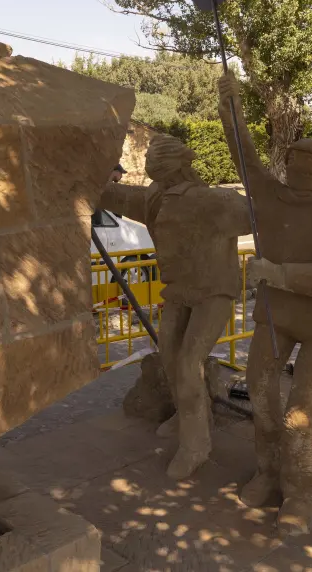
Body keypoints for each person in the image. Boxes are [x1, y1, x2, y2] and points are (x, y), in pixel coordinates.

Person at [217, 74, 312, 537]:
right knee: (260, 394)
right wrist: (231, 107)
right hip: (277, 315)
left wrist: (279, 274)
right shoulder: (269, 197)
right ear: (285, 165)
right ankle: (268, 470)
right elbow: (243, 155)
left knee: (299, 417)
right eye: (295, 163)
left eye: (310, 166)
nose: (302, 172)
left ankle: (304, 491)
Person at [99, 135, 250, 479]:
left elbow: (260, 216)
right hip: (178, 290)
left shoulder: (215, 201)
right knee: (169, 356)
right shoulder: (156, 196)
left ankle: (196, 444)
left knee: (188, 362)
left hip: (213, 292)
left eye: (160, 166)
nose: (154, 172)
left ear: (178, 165)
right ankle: (190, 413)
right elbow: (121, 196)